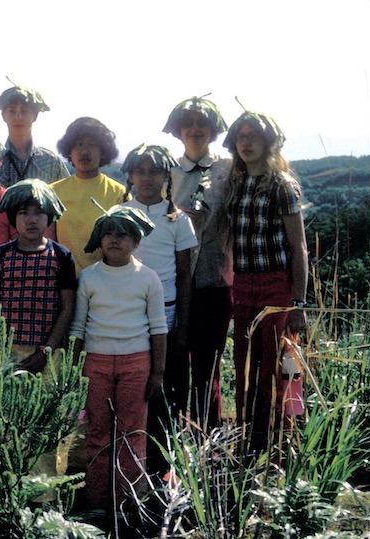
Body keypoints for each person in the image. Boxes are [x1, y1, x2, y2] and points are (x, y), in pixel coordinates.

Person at [70, 206, 167, 523]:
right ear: (99, 239)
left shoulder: (148, 279)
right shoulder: (89, 277)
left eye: (123, 234)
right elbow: (78, 328)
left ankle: (129, 503)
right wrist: (75, 369)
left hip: (136, 364)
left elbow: (158, 328)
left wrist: (158, 373)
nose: (115, 239)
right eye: (109, 233)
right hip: (95, 363)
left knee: (132, 432)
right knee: (98, 432)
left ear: (137, 241)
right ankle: (98, 502)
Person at [0, 179, 76, 498]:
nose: (32, 219)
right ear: (12, 218)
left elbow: (67, 308)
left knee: (45, 425)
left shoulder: (62, 257)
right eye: (24, 212)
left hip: (50, 354)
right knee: (10, 424)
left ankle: (45, 497)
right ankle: (13, 495)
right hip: (9, 352)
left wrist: (47, 349)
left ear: (50, 218)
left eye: (39, 213)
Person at [223, 110, 308, 452]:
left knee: (274, 367)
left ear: (268, 142)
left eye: (252, 137)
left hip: (276, 286)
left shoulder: (282, 185)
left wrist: (298, 302)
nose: (246, 143)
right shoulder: (237, 183)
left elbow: (298, 247)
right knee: (244, 365)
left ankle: (278, 442)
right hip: (244, 285)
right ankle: (247, 438)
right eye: (241, 137)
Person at [119, 143, 198, 477]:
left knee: (162, 392)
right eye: (140, 171)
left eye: (154, 171)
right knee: (132, 390)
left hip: (164, 318)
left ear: (168, 175)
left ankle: (160, 468)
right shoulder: (120, 215)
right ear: (131, 175)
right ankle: (127, 466)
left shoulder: (177, 220)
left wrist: (181, 327)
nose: (146, 178)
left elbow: (184, 277)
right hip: (127, 318)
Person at [163, 95, 233, 428]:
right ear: (177, 130)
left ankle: (210, 445)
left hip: (214, 280)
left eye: (202, 124)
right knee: (174, 364)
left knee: (208, 367)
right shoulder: (168, 170)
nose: (194, 129)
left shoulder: (229, 167)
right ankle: (173, 450)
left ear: (213, 128)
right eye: (188, 124)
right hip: (174, 281)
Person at [50, 117, 126, 274]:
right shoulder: (53, 192)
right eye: (78, 144)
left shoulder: (118, 192)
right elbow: (49, 243)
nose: (84, 151)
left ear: (103, 152)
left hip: (106, 280)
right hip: (64, 282)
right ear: (69, 151)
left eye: (92, 145)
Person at [0, 81, 69, 187]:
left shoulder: (51, 162)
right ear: (3, 116)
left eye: (24, 111)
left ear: (35, 116)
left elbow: (68, 198)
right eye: (12, 111)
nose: (18, 117)